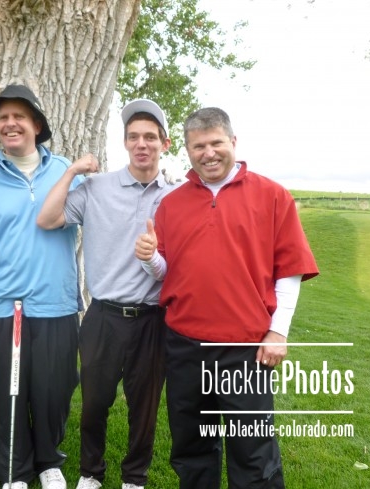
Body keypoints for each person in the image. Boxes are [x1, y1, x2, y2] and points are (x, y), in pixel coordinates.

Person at [135, 107, 320, 489]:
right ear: (187, 150)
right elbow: (167, 272)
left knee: (252, 451)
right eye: (198, 146)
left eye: (216, 143)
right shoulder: (172, 203)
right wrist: (150, 257)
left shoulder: (272, 196)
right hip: (184, 345)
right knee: (191, 447)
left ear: (233, 142)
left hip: (245, 348)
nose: (208, 153)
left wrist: (278, 332)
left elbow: (290, 270)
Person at [37, 99, 175, 489]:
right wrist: (71, 171)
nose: (141, 144)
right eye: (134, 137)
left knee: (144, 407)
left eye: (150, 137)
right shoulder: (96, 188)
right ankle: (91, 473)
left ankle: (134, 478)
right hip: (103, 316)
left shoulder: (176, 196)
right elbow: (47, 219)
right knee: (95, 403)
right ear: (125, 142)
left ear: (164, 144)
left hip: (152, 319)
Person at [0, 84, 85, 489]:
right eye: (3, 118)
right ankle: (14, 469)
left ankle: (49, 461)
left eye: (18, 117)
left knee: (55, 391)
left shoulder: (67, 172)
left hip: (58, 303)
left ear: (37, 125)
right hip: (6, 309)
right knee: (10, 393)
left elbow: (102, 222)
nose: (10, 124)